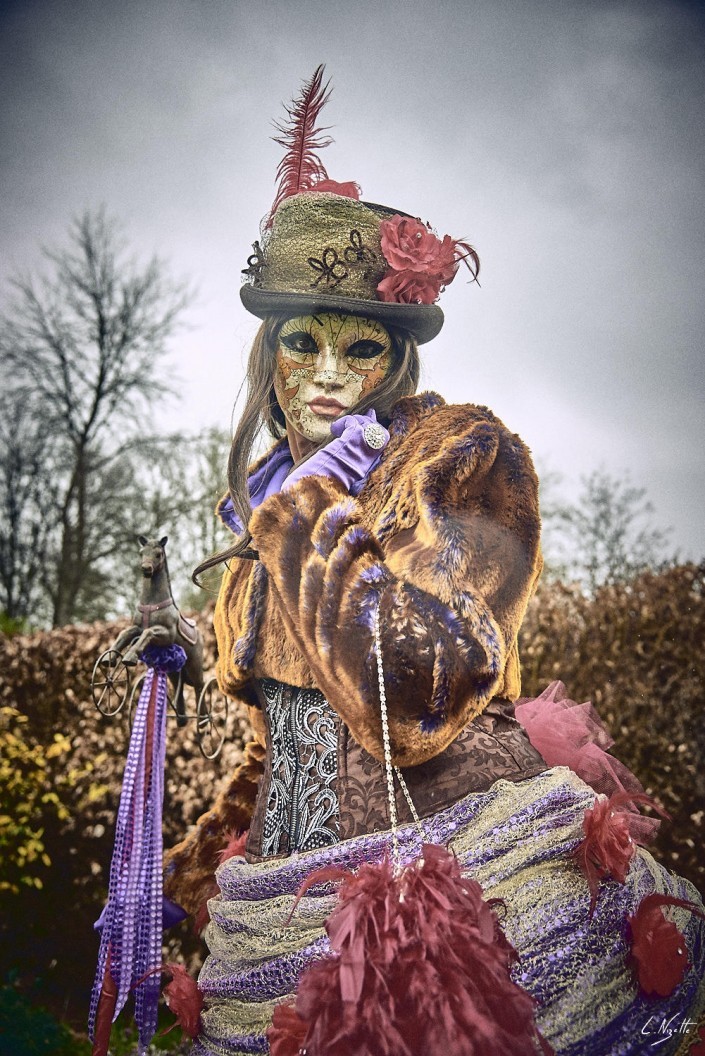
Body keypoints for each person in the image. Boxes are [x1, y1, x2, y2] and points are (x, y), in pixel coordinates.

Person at [163, 68, 705, 1056]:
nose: (327, 375)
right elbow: (285, 732)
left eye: (358, 346)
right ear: (268, 357)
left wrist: (304, 516)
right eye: (302, 344)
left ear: (398, 355)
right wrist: (188, 870)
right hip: (283, 925)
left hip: (455, 890)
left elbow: (411, 691)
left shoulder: (458, 458)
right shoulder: (267, 509)